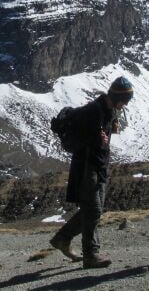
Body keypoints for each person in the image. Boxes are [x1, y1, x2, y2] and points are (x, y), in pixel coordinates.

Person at [49, 76, 134, 269]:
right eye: (125, 101)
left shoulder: (109, 110)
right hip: (87, 167)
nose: (125, 105)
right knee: (94, 210)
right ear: (116, 96)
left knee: (92, 210)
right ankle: (91, 254)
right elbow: (81, 138)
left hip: (99, 166)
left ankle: (62, 238)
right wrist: (97, 139)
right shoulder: (93, 111)